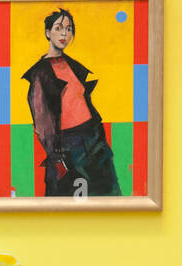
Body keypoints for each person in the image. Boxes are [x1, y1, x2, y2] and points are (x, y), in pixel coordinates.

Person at [22, 8, 121, 198]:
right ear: (47, 33)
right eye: (58, 28)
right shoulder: (40, 73)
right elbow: (42, 123)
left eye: (68, 29)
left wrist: (98, 137)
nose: (64, 34)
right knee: (71, 200)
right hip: (68, 145)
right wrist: (56, 157)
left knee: (108, 194)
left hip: (94, 138)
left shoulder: (73, 65)